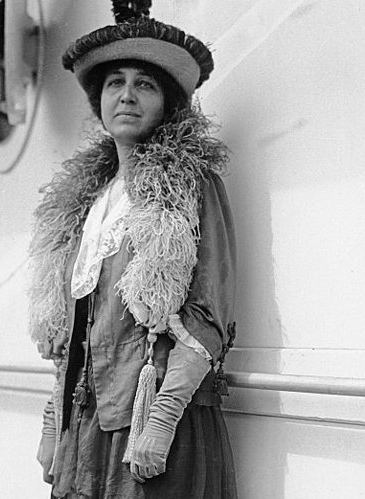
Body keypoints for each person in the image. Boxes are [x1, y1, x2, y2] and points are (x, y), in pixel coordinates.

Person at [29, 2, 237, 498]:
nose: (126, 95)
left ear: (167, 102)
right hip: (85, 426)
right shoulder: (87, 202)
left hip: (153, 424)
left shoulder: (189, 185)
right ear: (98, 101)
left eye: (144, 83)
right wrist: (50, 418)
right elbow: (78, 326)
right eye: (114, 83)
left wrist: (162, 420)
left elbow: (210, 309)